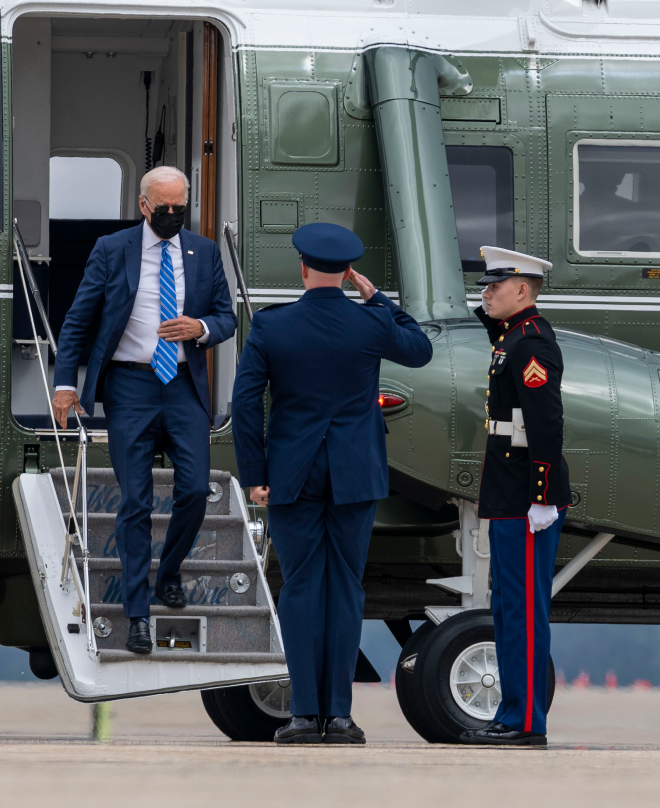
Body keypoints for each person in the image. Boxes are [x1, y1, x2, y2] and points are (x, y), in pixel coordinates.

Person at [232, 222, 433, 745]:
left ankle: (302, 716)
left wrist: (255, 476)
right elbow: (420, 350)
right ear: (348, 273)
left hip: (292, 475)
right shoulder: (370, 324)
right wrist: (380, 300)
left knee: (299, 588)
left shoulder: (272, 328)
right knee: (345, 587)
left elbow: (245, 406)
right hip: (353, 473)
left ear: (303, 269)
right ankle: (339, 717)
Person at [50, 166, 237, 654]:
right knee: (134, 501)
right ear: (143, 205)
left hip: (183, 385)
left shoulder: (205, 252)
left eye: (181, 208)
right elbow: (79, 319)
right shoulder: (112, 249)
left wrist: (200, 328)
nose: (174, 216)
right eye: (165, 209)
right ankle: (137, 614)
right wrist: (65, 383)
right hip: (130, 385)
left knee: (195, 488)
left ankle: (169, 571)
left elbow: (226, 317)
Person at [459, 247, 571, 747]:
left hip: (527, 496)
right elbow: (496, 335)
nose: (485, 293)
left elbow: (546, 423)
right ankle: (511, 712)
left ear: (522, 290)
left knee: (524, 611)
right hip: (507, 493)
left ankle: (526, 722)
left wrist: (542, 496)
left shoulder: (532, 344)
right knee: (508, 608)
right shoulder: (513, 336)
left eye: (494, 286)